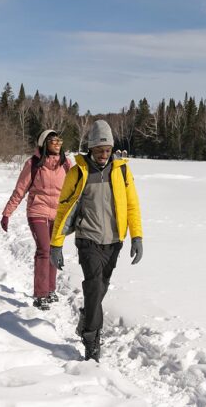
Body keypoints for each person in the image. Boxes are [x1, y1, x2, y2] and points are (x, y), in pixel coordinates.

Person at [49, 120, 143, 362]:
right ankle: (92, 340)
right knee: (93, 285)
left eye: (108, 150)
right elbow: (63, 209)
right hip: (87, 239)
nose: (104, 155)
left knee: (100, 287)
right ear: (90, 148)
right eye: (100, 150)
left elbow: (132, 205)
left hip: (113, 241)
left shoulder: (121, 171)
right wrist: (56, 243)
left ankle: (87, 314)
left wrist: (137, 237)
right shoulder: (77, 173)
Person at [1, 130, 72, 310]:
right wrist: (7, 213)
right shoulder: (33, 164)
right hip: (37, 211)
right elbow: (20, 190)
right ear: (44, 143)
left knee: (54, 249)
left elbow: (76, 188)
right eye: (53, 141)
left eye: (59, 140)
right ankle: (40, 294)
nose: (57, 144)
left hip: (58, 214)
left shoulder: (66, 164)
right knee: (44, 249)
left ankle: (50, 290)